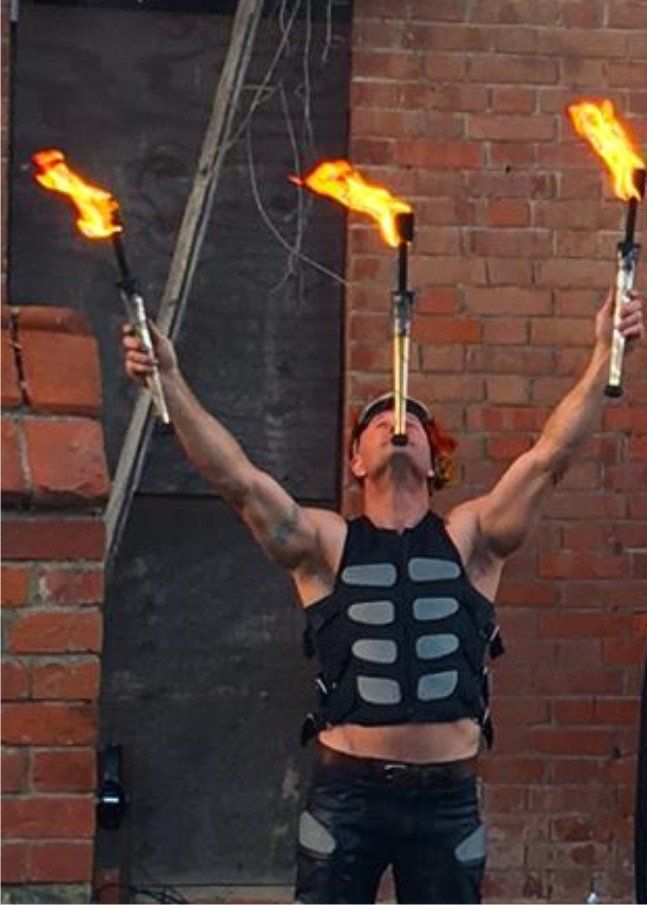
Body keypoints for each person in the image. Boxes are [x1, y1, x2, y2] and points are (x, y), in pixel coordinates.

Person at [122, 289, 644, 904]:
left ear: (433, 461)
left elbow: (549, 458)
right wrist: (171, 380)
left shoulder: (471, 539)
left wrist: (603, 353)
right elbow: (236, 480)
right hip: (347, 796)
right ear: (356, 461)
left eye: (414, 422)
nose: (396, 423)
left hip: (447, 798)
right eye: (377, 420)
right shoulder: (326, 542)